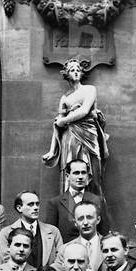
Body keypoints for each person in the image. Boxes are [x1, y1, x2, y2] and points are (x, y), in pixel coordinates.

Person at [42, 59, 109, 195]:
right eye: (72, 70)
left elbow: (84, 110)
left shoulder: (90, 89)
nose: (76, 72)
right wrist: (52, 150)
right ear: (67, 74)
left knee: (93, 173)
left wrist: (65, 120)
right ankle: (70, 206)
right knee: (71, 169)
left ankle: (94, 206)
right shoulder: (65, 98)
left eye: (78, 70)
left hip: (89, 134)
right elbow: (57, 124)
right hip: (70, 136)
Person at [43, 159, 109, 241]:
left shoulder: (98, 201)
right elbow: (50, 235)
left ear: (88, 176)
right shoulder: (55, 203)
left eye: (83, 173)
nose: (80, 177)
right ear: (67, 176)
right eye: (76, 173)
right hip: (66, 251)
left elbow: (104, 232)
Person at [0, 190, 62, 269]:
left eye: (37, 204)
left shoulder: (53, 231)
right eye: (30, 204)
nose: (35, 208)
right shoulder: (6, 233)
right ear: (19, 208)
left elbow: (60, 259)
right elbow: (6, 260)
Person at [56, 200, 105, 271]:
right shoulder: (64, 249)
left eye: (89, 217)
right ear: (75, 223)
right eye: (80, 219)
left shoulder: (109, 245)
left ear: (98, 220)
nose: (85, 223)